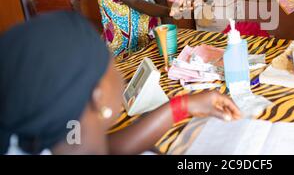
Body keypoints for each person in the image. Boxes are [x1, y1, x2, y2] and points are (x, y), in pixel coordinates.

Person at [0, 12, 240, 155]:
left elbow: (104, 148)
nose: (121, 74)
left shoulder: (46, 139)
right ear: (98, 97)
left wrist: (183, 105)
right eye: (111, 63)